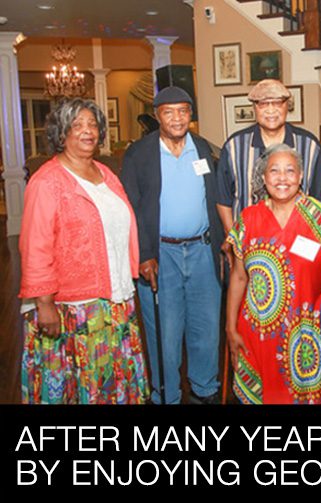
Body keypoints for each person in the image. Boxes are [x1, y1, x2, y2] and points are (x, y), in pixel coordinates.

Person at [19, 98, 148, 404]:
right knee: (82, 384)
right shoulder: (46, 182)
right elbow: (35, 245)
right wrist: (44, 303)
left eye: (92, 124)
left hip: (116, 297)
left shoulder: (106, 173)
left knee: (113, 378)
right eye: (77, 125)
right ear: (62, 133)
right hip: (73, 308)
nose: (87, 131)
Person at [121, 86, 223, 405]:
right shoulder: (139, 153)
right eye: (169, 111)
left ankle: (205, 388)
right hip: (160, 256)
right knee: (165, 330)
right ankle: (166, 393)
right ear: (157, 115)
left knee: (206, 325)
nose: (177, 118)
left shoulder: (204, 149)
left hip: (203, 250)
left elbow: (217, 199)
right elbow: (131, 206)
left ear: (191, 115)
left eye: (183, 111)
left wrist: (222, 246)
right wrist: (145, 253)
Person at [226, 144, 321, 404]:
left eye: (290, 171)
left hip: (306, 336)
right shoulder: (248, 218)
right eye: (274, 171)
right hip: (256, 333)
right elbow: (238, 277)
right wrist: (230, 328)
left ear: (301, 176)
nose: (282, 178)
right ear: (264, 178)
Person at [216, 79, 321, 235]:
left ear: (287, 106)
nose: (271, 110)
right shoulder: (234, 146)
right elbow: (223, 199)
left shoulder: (309, 145)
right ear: (254, 108)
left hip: (298, 240)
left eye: (277, 103)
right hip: (249, 241)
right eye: (263, 104)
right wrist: (234, 241)